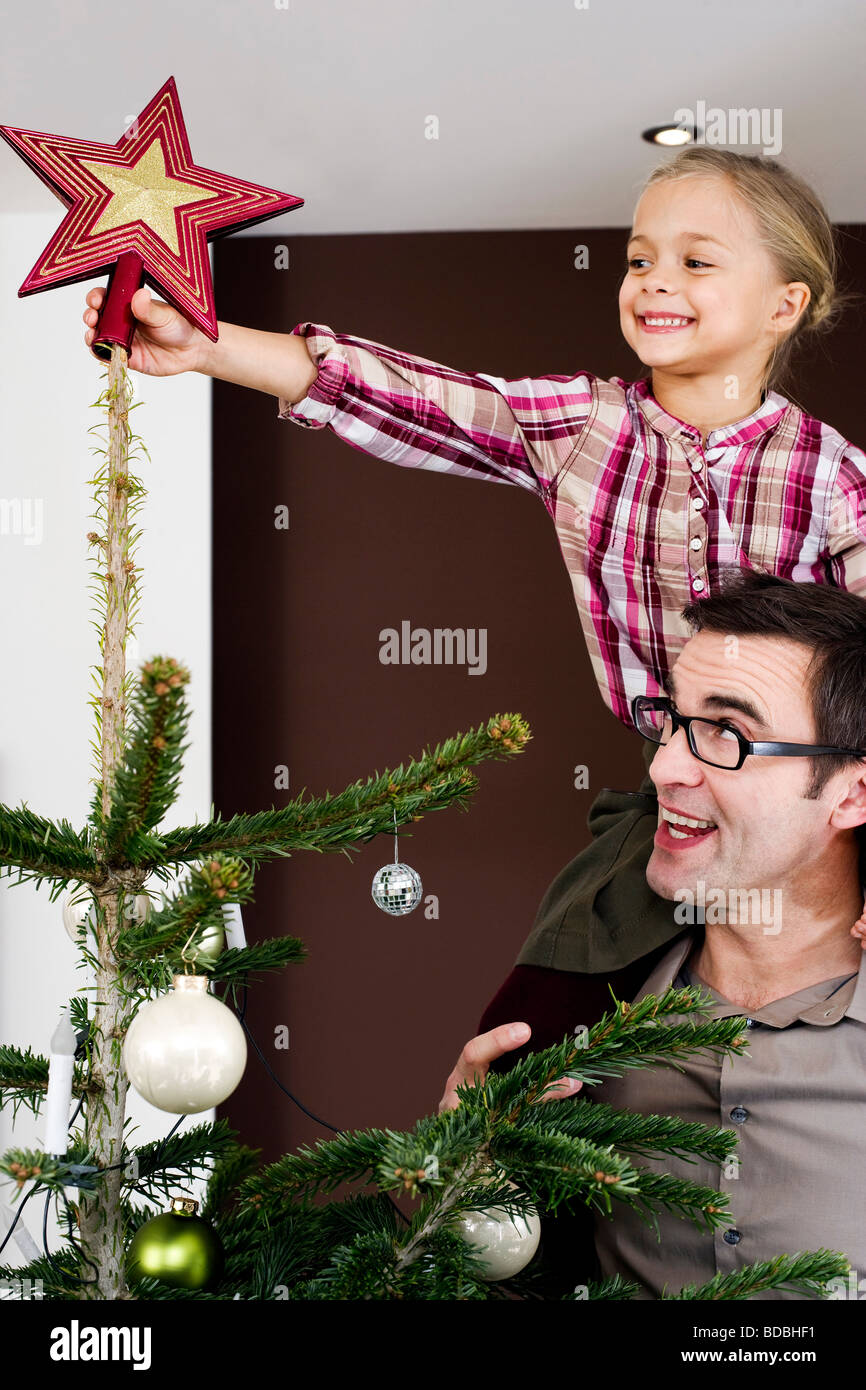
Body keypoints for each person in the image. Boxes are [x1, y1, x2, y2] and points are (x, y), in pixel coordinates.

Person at [82, 147, 866, 975]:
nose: (655, 281)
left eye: (696, 261)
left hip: (801, 793)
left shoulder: (831, 474)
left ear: (785, 305)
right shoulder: (583, 427)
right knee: (551, 988)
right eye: (640, 259)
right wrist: (206, 348)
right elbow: (417, 398)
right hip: (663, 782)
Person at [439, 571, 866, 1299]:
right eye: (672, 719)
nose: (666, 768)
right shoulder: (586, 1027)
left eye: (727, 734)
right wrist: (469, 1192)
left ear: (852, 792)